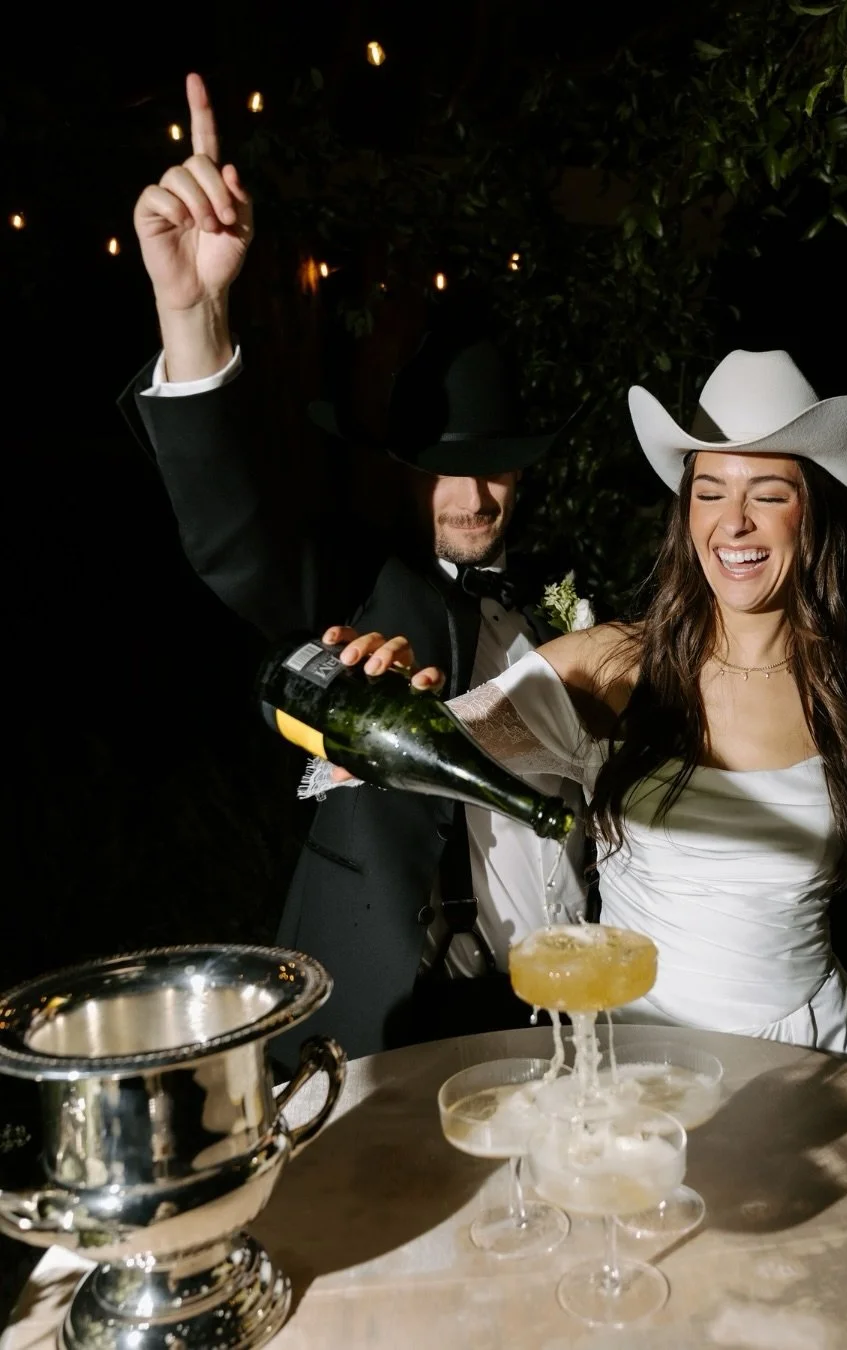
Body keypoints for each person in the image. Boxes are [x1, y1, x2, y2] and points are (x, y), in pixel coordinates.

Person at [323, 348, 847, 1079]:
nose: (734, 524)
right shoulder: (612, 668)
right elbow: (385, 757)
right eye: (710, 491)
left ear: (815, 514)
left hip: (817, 1062)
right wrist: (379, 690)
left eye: (768, 494)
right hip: (641, 1070)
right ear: (686, 512)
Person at [116, 73, 589, 1062]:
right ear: (398, 472)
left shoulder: (574, 606)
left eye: (492, 466)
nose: (474, 498)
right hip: (389, 1018)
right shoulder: (361, 587)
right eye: (442, 470)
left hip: (561, 1010)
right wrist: (193, 317)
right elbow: (234, 542)